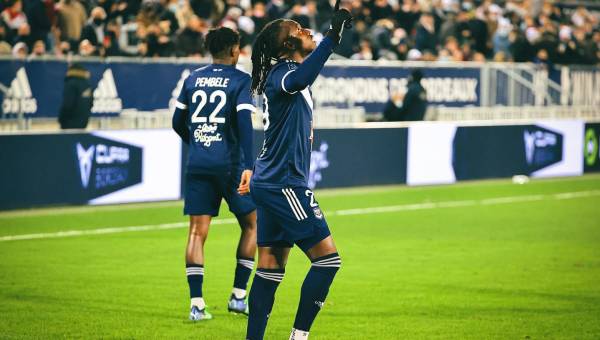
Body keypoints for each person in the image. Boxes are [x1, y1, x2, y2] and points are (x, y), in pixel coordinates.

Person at [243, 5, 352, 340]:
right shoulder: (284, 74)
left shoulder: (284, 73)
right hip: (284, 184)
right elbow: (302, 78)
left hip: (272, 182)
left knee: (271, 268)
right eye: (299, 30)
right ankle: (299, 337)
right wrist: (331, 39)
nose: (306, 31)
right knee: (327, 261)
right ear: (286, 47)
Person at [171, 26, 257, 321]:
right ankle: (238, 296)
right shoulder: (241, 80)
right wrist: (249, 165)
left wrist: (197, 142)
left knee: (197, 231)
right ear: (234, 49)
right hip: (230, 165)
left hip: (198, 163)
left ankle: (197, 304)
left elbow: (177, 121)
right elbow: (245, 123)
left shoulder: (192, 79)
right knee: (252, 224)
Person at [58, 63, 92, 129]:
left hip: (69, 123)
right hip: (84, 122)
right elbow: (90, 103)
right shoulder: (87, 84)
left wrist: (61, 119)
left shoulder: (70, 84)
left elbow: (67, 104)